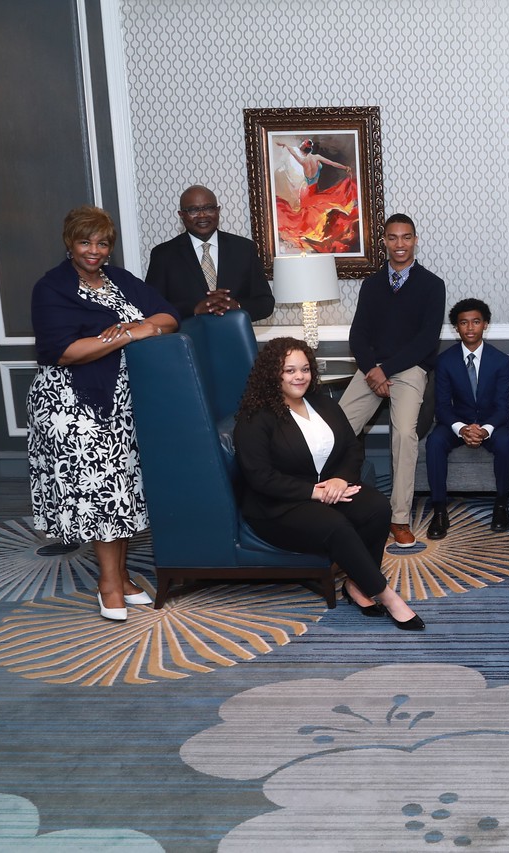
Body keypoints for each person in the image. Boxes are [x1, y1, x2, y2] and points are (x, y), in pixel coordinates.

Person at [28, 205, 180, 621]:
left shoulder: (121, 281)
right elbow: (65, 351)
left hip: (122, 403)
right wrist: (127, 334)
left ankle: (123, 576)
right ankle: (108, 584)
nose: (94, 250)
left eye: (102, 243)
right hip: (74, 405)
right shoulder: (52, 288)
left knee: (124, 491)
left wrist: (139, 327)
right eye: (85, 241)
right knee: (103, 495)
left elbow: (168, 316)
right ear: (69, 243)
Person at [234, 338, 425, 630]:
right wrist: (314, 492)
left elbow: (352, 448)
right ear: (273, 373)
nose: (299, 376)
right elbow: (260, 478)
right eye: (289, 370)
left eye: (305, 369)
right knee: (336, 525)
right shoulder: (255, 417)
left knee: (376, 507)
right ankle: (386, 595)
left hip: (328, 488)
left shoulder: (323, 403)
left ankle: (357, 585)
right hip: (277, 505)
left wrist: (340, 479)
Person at [339, 213, 446, 548]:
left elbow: (426, 340)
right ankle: (330, 497)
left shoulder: (432, 285)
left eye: (407, 237)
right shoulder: (371, 285)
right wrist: (373, 369)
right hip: (371, 368)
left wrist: (387, 370)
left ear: (415, 240)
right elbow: (358, 335)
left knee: (403, 435)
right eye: (393, 238)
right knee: (335, 428)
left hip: (410, 368)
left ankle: (398, 518)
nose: (400, 244)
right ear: (384, 241)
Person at [425, 299, 509, 540]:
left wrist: (484, 430)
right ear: (456, 327)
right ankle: (440, 511)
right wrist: (462, 428)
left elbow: (502, 406)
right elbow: (442, 406)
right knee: (434, 442)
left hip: (491, 423)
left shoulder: (501, 360)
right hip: (457, 423)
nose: (470, 328)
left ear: (485, 324)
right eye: (464, 323)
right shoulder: (445, 361)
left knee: (506, 444)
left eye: (476, 322)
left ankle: (501, 506)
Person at [145, 185, 275, 320]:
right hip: (188, 338)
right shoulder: (163, 255)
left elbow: (265, 303)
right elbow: (152, 307)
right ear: (181, 215)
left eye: (208, 208)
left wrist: (237, 306)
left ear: (218, 210)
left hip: (235, 337)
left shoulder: (244, 248)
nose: (202, 215)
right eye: (193, 210)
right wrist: (194, 309)